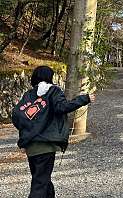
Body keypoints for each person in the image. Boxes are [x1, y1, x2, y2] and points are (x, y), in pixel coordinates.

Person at [11, 66, 95, 198]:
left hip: (31, 147)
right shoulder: (53, 91)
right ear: (50, 77)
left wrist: (28, 130)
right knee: (40, 182)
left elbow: (16, 116)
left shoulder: (28, 95)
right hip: (46, 145)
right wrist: (85, 99)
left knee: (43, 179)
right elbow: (62, 107)